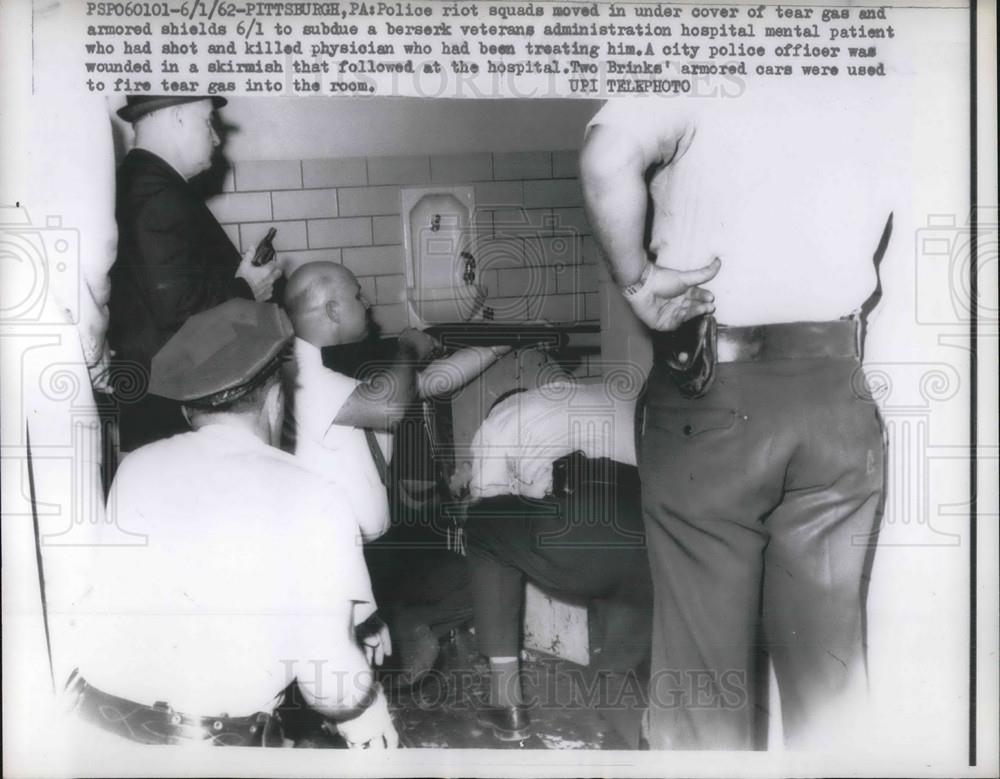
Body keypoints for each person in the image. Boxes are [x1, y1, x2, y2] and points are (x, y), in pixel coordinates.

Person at [579, 82, 893, 750]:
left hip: (715, 395)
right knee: (829, 673)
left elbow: (606, 157)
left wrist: (636, 282)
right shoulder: (876, 58)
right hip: (838, 393)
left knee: (701, 689)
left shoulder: (705, 42)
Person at [47, 299, 397, 750]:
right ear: (276, 397)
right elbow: (329, 686)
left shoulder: (136, 467)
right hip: (208, 754)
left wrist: (351, 618)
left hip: (87, 734)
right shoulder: (314, 492)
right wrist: (372, 717)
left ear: (187, 410)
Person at [282, 261, 512, 684]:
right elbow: (390, 404)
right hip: (336, 565)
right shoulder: (301, 376)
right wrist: (407, 348)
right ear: (332, 310)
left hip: (374, 556)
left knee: (474, 578)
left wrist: (494, 345)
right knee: (470, 582)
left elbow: (428, 384)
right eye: (356, 295)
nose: (367, 303)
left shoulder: (329, 366)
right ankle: (379, 657)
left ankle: (393, 640)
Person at [455, 381, 652, 746]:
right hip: (653, 532)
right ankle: (637, 711)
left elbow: (487, 499)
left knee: (481, 526)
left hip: (576, 525)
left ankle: (506, 701)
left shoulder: (501, 417)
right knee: (625, 561)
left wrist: (472, 487)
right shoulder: (608, 395)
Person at [108, 95, 281, 451]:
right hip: (172, 415)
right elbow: (180, 309)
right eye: (208, 122)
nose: (216, 138)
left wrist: (237, 278)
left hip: (157, 411)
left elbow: (168, 293)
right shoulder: (155, 192)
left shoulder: (145, 184)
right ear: (178, 117)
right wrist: (247, 287)